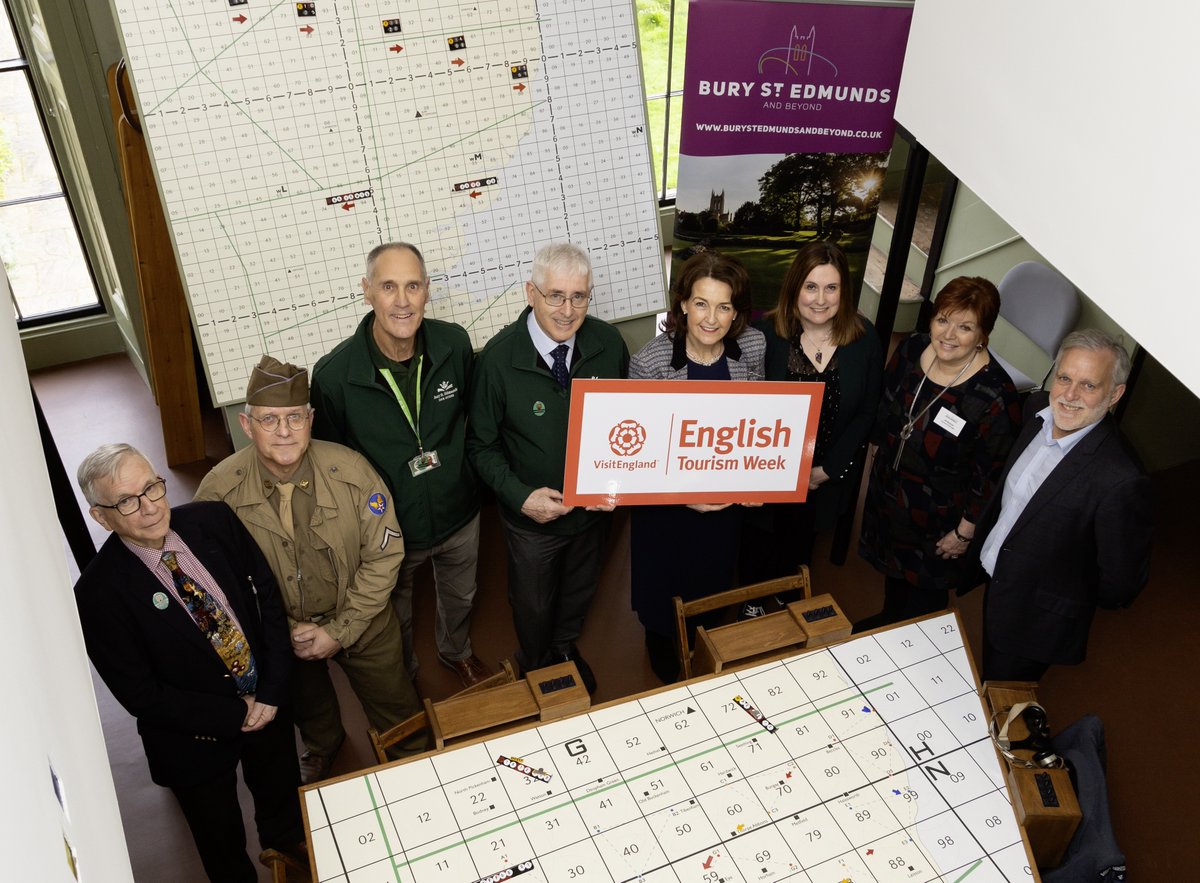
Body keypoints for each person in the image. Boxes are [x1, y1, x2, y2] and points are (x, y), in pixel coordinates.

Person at [73, 444, 304, 882]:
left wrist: (271, 692)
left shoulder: (213, 520)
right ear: (100, 516)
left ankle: (287, 849)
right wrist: (240, 712)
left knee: (283, 804)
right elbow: (140, 694)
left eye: (152, 488)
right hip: (193, 741)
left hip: (269, 706)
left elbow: (267, 600)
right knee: (221, 847)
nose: (149, 508)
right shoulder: (97, 595)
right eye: (126, 501)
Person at [195, 356, 421, 784]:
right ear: (246, 425)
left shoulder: (353, 472)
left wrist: (340, 630)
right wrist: (283, 630)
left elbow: (383, 556)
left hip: (362, 617)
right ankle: (324, 745)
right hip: (280, 634)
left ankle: (410, 753)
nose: (284, 432)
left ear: (311, 419)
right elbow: (219, 584)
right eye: (269, 420)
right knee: (307, 706)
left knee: (396, 703)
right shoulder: (218, 492)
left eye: (294, 418)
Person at [311, 242, 490, 689]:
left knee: (460, 595)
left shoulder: (454, 343)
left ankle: (456, 652)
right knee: (394, 611)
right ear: (367, 291)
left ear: (427, 290)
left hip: (458, 512)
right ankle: (406, 674)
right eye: (388, 287)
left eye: (413, 286)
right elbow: (331, 467)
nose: (402, 300)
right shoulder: (333, 376)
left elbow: (471, 419)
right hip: (388, 529)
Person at [467, 242, 629, 691]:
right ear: (530, 293)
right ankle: (537, 664)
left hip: (592, 515)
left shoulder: (608, 344)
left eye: (579, 296)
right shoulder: (497, 359)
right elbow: (481, 446)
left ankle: (563, 647)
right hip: (533, 521)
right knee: (533, 604)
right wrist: (522, 497)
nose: (567, 309)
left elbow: (628, 425)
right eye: (555, 295)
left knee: (580, 590)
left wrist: (614, 483)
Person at [973, 329, 1152, 681]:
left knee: (1004, 703)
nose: (1069, 396)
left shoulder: (1121, 480)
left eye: (1088, 385)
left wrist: (1062, 592)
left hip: (1036, 619)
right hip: (998, 588)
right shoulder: (1037, 408)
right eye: (1065, 378)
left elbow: (1121, 583)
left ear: (1114, 394)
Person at [856, 276, 1022, 631]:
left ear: (983, 334)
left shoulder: (995, 397)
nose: (948, 334)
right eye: (943, 320)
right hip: (892, 490)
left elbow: (991, 475)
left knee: (924, 600)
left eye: (965, 327)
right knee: (895, 574)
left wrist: (964, 532)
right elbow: (886, 405)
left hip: (941, 517)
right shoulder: (911, 350)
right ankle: (889, 622)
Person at [628, 252, 765, 681]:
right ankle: (662, 648)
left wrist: (758, 480)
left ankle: (703, 635)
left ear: (736, 312)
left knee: (712, 580)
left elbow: (759, 422)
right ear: (683, 304)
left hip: (724, 508)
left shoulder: (753, 349)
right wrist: (685, 497)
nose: (712, 318)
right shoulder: (648, 362)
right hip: (665, 512)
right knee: (662, 593)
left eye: (724, 306)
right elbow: (639, 458)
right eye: (701, 303)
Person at [739, 241, 883, 588]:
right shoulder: (763, 337)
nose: (821, 299)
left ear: (843, 292)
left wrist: (827, 471)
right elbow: (744, 408)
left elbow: (867, 411)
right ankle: (753, 599)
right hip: (765, 474)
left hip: (822, 474)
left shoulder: (865, 340)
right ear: (794, 288)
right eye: (811, 287)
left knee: (801, 545)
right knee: (757, 545)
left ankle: (790, 595)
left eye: (831, 287)